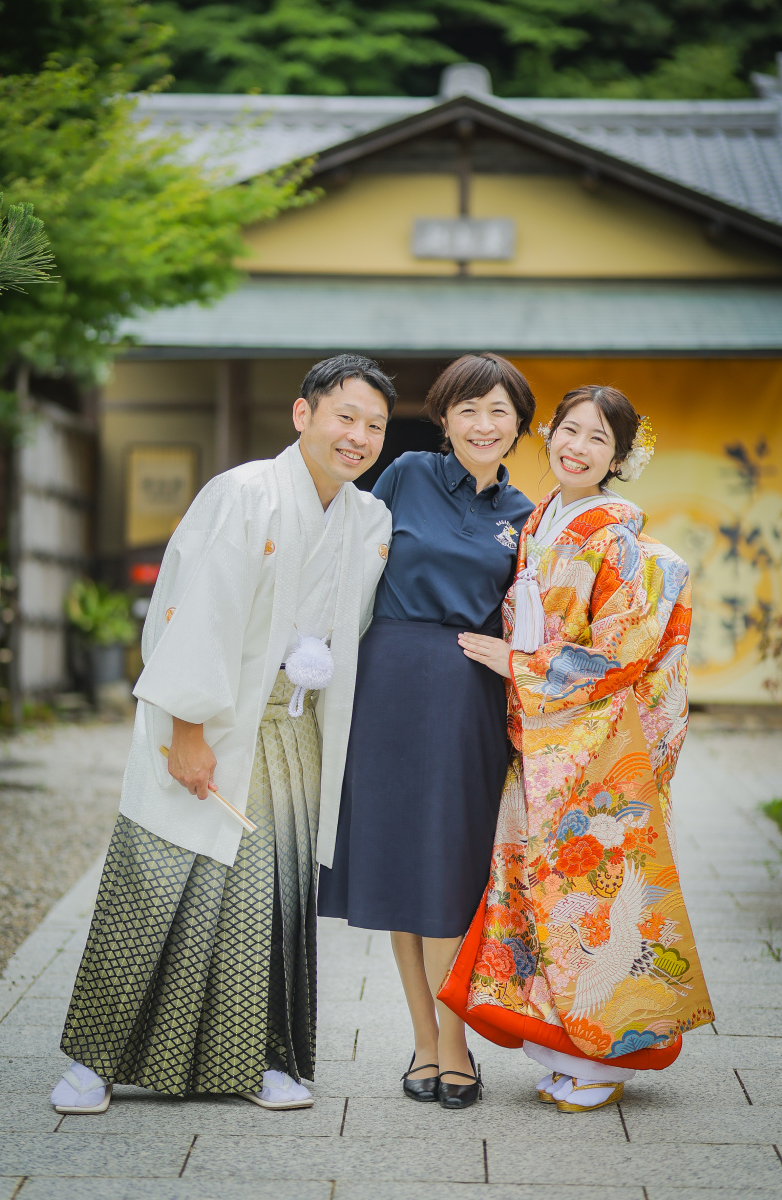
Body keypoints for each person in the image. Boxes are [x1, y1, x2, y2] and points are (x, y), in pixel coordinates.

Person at [51, 354, 395, 1115]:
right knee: (157, 881)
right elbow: (194, 611)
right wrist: (186, 732)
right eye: (345, 416)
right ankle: (93, 1062)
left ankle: (265, 1061)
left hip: (292, 727)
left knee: (266, 903)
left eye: (374, 425)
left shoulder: (369, 520)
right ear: (303, 415)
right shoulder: (243, 494)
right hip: (210, 717)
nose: (358, 436)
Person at [441, 384, 714, 1112]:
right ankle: (565, 1045)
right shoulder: (540, 524)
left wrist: (520, 665)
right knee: (540, 892)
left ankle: (608, 1056)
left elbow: (624, 650)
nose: (577, 447)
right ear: (550, 435)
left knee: (595, 897)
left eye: (598, 438)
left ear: (621, 457)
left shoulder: (618, 539)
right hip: (544, 739)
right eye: (569, 430)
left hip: (597, 747)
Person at [318, 353, 535, 1110]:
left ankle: (454, 1038)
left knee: (451, 870)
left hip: (470, 694)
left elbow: (538, 618)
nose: (484, 424)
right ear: (444, 418)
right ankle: (430, 1041)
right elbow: (345, 554)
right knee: (403, 869)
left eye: (500, 411)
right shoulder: (406, 472)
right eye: (468, 408)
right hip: (387, 682)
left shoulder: (527, 516)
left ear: (519, 428)